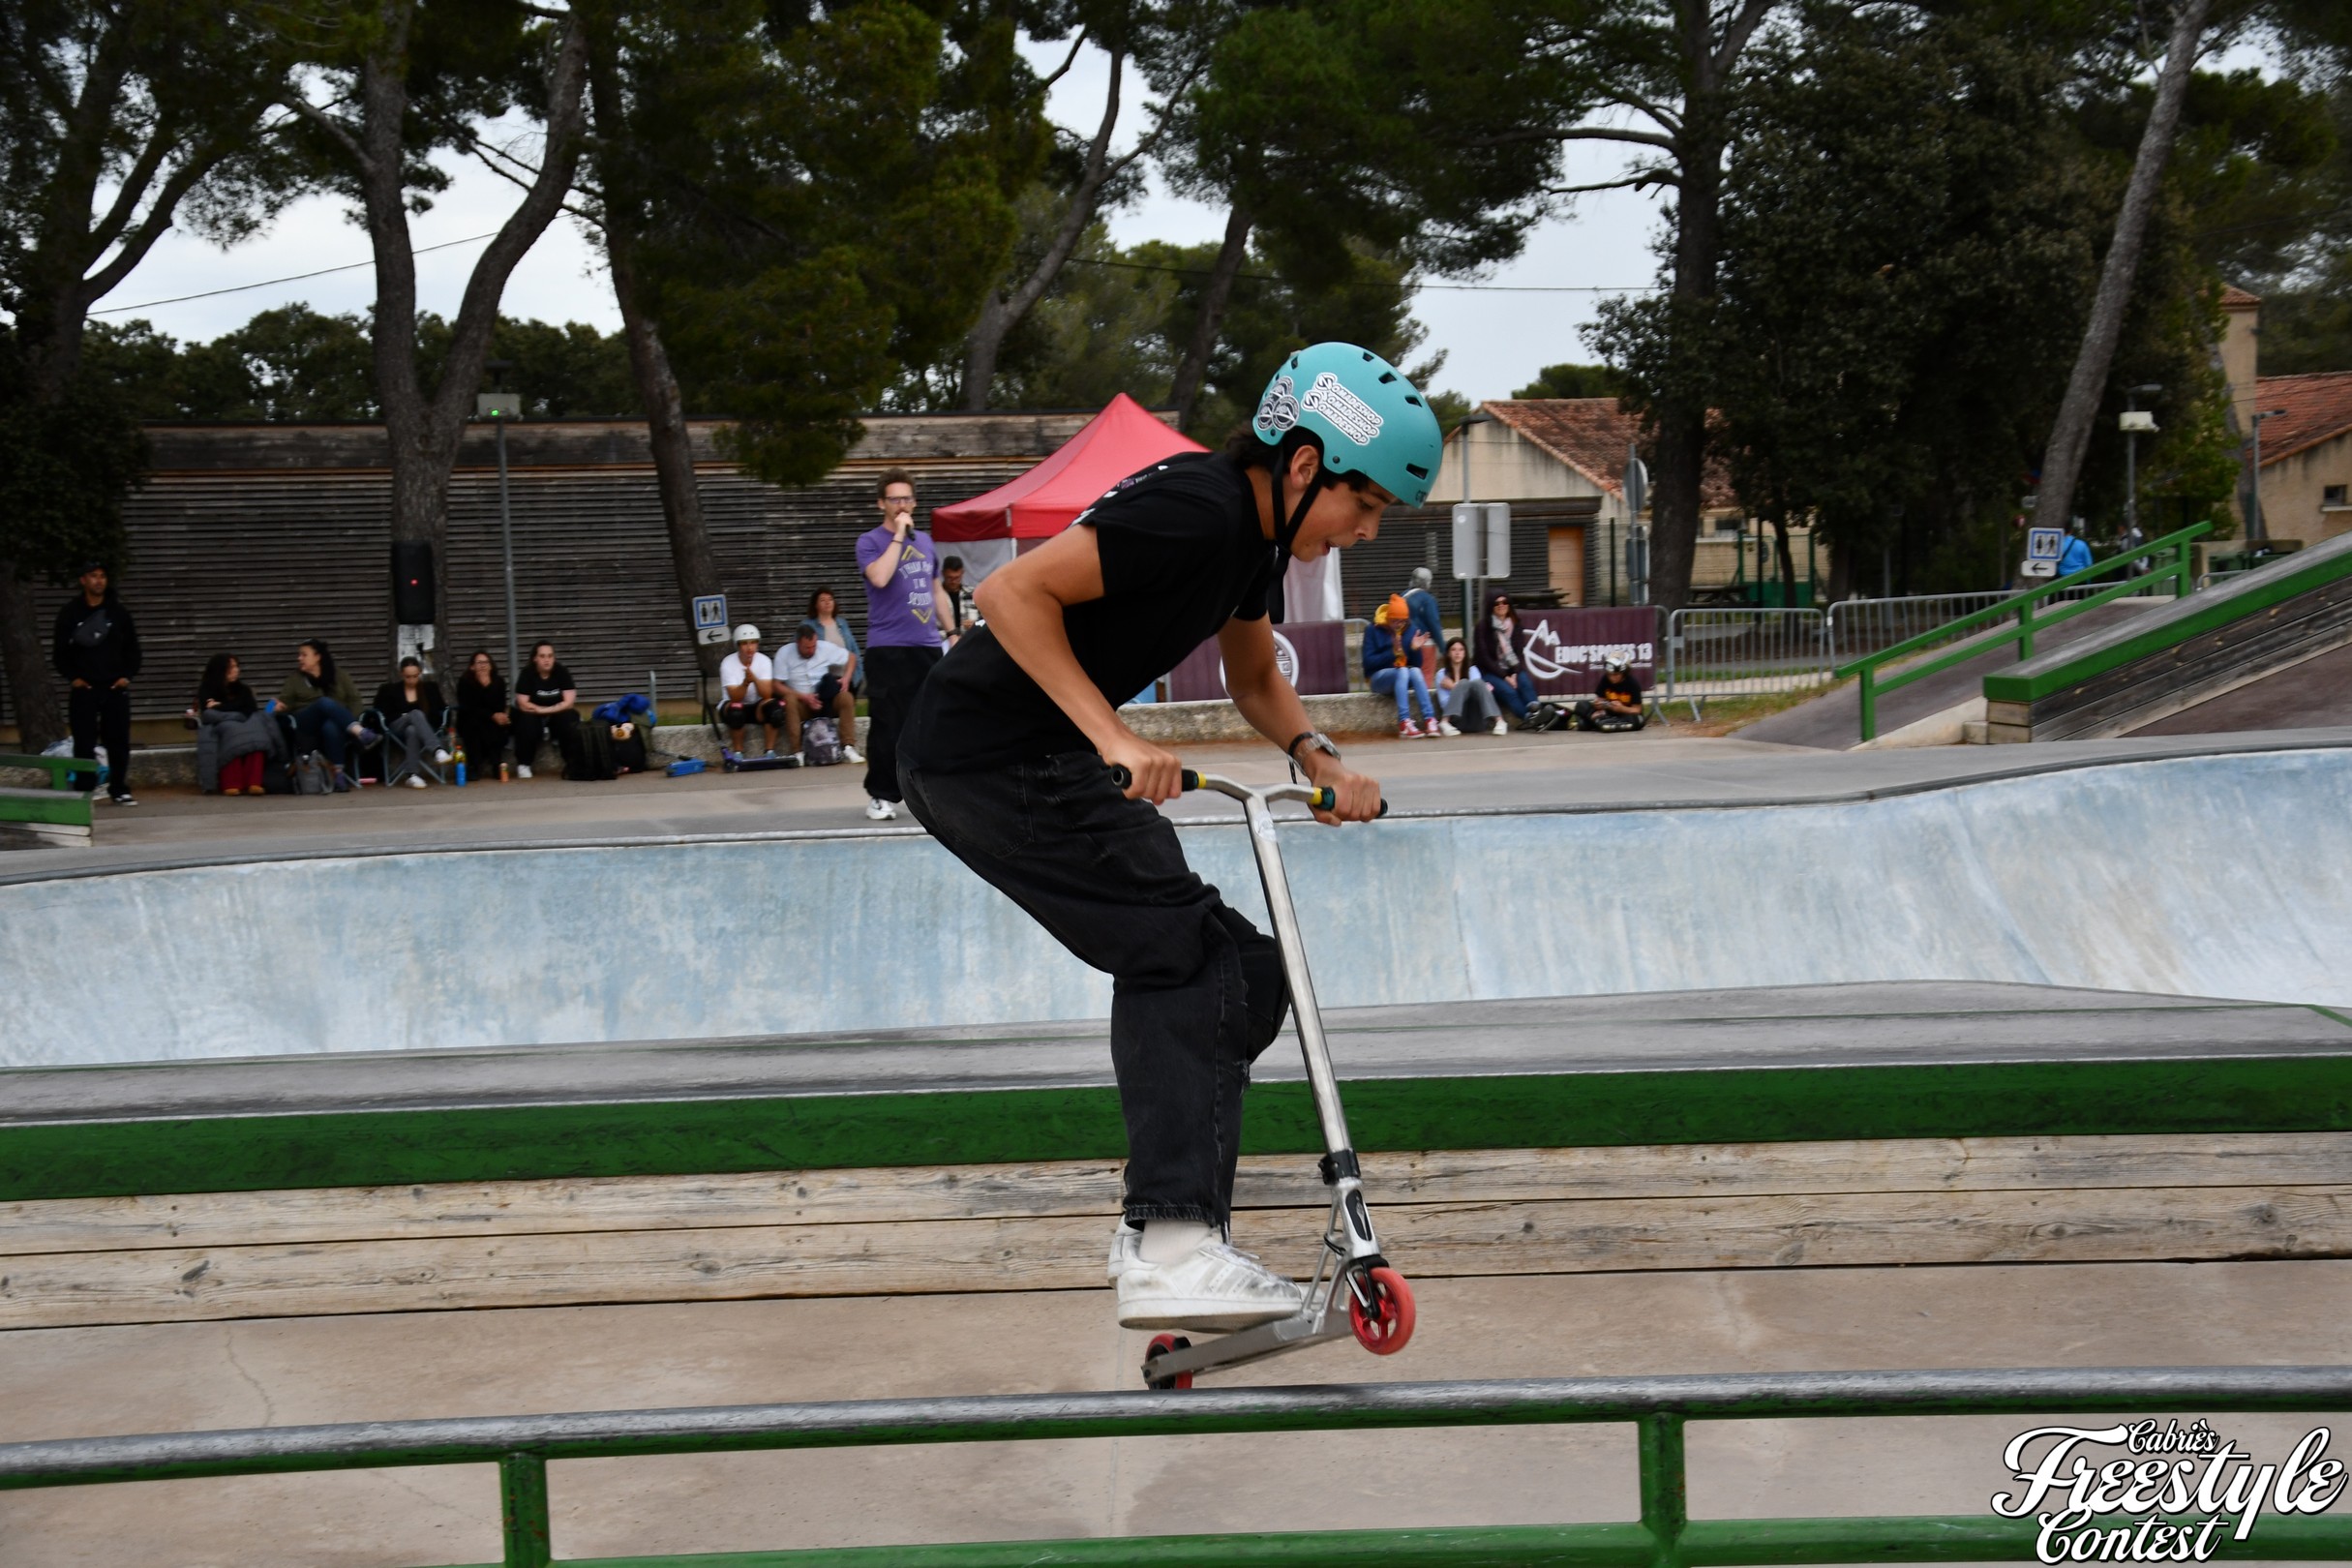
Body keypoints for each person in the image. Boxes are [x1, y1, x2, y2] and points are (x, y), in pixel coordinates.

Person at [898, 341, 1432, 1331]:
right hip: (990, 758)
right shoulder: (1198, 508)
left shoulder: (1252, 541)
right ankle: (1173, 1246)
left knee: (1246, 971)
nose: (1366, 530)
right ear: (1305, 464)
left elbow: (1254, 675)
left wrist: (1317, 757)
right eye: (1366, 503)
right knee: (1189, 960)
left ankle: (1166, 1235)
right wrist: (1114, 736)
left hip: (1038, 756)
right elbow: (1009, 593)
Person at [856, 468, 943, 820]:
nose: (901, 505)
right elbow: (879, 577)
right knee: (888, 724)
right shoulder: (870, 542)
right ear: (882, 504)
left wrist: (952, 632)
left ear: (915, 502)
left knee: (930, 723)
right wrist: (898, 538)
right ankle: (881, 795)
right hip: (888, 647)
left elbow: (936, 590)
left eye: (906, 498)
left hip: (927, 645)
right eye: (894, 499)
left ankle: (931, 795)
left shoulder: (926, 542)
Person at [51, 561, 142, 805]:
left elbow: (133, 650)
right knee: (84, 741)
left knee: (118, 741)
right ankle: (85, 788)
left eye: (102, 576)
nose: (99, 580)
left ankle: (119, 788)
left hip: (115, 687)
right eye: (93, 576)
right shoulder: (71, 613)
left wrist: (126, 676)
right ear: (83, 580)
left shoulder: (118, 613)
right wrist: (73, 678)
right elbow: (60, 652)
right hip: (85, 688)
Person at [278, 639, 375, 791]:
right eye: (299, 655)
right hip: (306, 724)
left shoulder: (339, 675)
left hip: (338, 725)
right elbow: (277, 704)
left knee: (330, 726)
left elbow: (355, 699)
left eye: (304, 655)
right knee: (324, 702)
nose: (299, 658)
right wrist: (272, 707)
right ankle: (361, 732)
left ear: (317, 657)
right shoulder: (295, 679)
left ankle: (338, 775)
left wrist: (349, 718)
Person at [774, 619, 863, 761]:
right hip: (801, 703)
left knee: (846, 697)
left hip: (825, 700)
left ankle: (848, 746)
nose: (811, 650)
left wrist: (846, 678)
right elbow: (777, 685)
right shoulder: (784, 653)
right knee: (789, 700)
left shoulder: (824, 647)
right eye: (806, 648)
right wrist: (804, 697)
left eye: (813, 646)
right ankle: (797, 752)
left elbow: (851, 657)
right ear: (797, 643)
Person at [191, 652, 277, 795]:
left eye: (237, 666)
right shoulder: (207, 689)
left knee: (256, 734)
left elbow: (250, 708)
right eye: (231, 667)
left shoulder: (243, 689)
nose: (236, 670)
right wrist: (233, 709)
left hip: (245, 722)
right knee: (232, 734)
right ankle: (232, 782)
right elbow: (208, 713)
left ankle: (254, 782)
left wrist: (221, 706)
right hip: (224, 725)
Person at [1363, 593, 1440, 737]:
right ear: (1388, 618)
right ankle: (1404, 722)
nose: (1399, 625)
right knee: (1403, 671)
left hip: (1402, 677)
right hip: (1378, 678)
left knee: (1415, 671)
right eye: (1395, 621)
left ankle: (1430, 718)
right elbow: (1368, 662)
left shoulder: (1410, 630)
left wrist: (1414, 650)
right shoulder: (1373, 630)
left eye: (1403, 621)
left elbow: (1416, 664)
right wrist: (1393, 652)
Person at [370, 656, 450, 787]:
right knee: (416, 713)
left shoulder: (430, 688)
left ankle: (412, 775)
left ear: (420, 673)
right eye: (408, 677)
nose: (412, 680)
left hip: (422, 730)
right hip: (396, 726)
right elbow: (384, 713)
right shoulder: (389, 690)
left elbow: (440, 709)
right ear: (401, 674)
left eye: (415, 676)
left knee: (412, 730)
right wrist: (406, 716)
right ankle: (436, 750)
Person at [511, 642, 584, 778]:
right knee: (526, 721)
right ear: (535, 658)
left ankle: (572, 763)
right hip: (533, 714)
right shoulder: (527, 674)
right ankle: (524, 764)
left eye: (550, 656)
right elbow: (523, 704)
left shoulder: (561, 671)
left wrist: (544, 710)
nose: (547, 660)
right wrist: (540, 711)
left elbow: (569, 703)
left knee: (570, 718)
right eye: (542, 656)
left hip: (555, 714)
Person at [716, 625, 787, 757]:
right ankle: (738, 752)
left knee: (775, 710)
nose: (750, 648)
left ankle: (769, 751)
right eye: (745, 644)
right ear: (738, 645)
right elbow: (735, 697)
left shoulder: (764, 661)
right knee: (736, 712)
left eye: (753, 643)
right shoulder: (728, 663)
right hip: (732, 704)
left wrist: (754, 679)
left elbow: (766, 694)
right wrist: (745, 683)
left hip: (756, 706)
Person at [1473, 589, 1539, 724]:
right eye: (1497, 603)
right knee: (1508, 691)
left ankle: (1537, 712)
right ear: (1491, 606)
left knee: (1525, 683)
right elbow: (1484, 658)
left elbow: (1519, 653)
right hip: (1489, 671)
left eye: (1504, 602)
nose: (1501, 605)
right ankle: (1528, 718)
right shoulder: (1482, 627)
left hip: (1512, 669)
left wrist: (1514, 674)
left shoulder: (1516, 625)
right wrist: (1505, 677)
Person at [453, 651, 511, 778]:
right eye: (479, 663)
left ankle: (496, 764)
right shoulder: (465, 682)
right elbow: (469, 707)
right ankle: (474, 766)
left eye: (486, 662)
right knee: (474, 724)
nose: (483, 666)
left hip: (492, 720)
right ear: (472, 667)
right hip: (469, 719)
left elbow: (499, 706)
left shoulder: (498, 682)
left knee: (497, 725)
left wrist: (488, 686)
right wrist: (491, 715)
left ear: (491, 665)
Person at [1435, 636, 1506, 737]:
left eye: (1461, 650)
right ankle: (1444, 722)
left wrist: (1453, 687)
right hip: (1456, 720)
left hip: (1476, 718)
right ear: (1448, 653)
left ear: (1465, 653)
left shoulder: (1473, 670)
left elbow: (1477, 691)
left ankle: (1500, 721)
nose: (1457, 653)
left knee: (1477, 683)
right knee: (1464, 683)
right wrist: (1459, 688)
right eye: (1453, 650)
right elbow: (1444, 704)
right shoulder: (1441, 675)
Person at [806, 587, 861, 694]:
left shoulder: (842, 623)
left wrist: (856, 673)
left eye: (830, 599)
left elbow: (854, 649)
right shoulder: (808, 625)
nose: (827, 602)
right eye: (823, 600)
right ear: (815, 605)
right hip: (822, 681)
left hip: (847, 677)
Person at [1575, 652, 1647, 732]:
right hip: (1607, 713)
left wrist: (1622, 709)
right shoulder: (1605, 679)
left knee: (1638, 720)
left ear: (1624, 673)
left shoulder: (1632, 683)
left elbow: (1637, 710)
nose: (1612, 677)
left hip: (1625, 715)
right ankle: (1606, 723)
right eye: (1609, 674)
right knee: (1581, 705)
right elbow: (1600, 700)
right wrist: (1599, 705)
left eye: (1616, 675)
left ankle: (1599, 723)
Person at [1403, 566, 1445, 682]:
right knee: (1425, 676)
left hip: (1404, 643)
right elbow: (1434, 624)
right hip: (1425, 643)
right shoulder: (1428, 600)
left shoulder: (1402, 597)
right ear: (1426, 582)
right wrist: (1443, 648)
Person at [937, 556, 972, 647]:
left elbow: (984, 622)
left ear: (962, 573)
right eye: (949, 578)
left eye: (957, 578)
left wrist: (975, 625)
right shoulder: (935, 597)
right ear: (943, 573)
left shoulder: (972, 595)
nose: (953, 581)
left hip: (969, 644)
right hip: (943, 644)